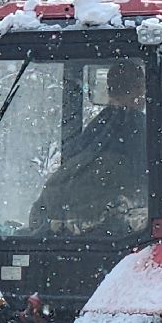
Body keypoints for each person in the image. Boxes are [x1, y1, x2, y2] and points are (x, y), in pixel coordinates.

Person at [29, 60, 147, 235]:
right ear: (138, 91)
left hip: (65, 221)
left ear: (109, 89)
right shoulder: (135, 127)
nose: (144, 95)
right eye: (143, 89)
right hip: (108, 227)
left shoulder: (99, 127)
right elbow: (151, 177)